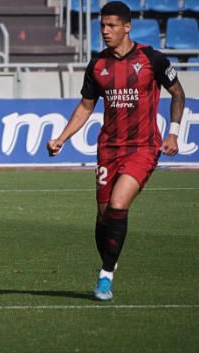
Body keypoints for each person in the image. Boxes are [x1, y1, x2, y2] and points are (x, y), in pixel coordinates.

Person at [47, 1, 184, 301]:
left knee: (119, 205)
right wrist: (62, 138)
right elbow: (85, 107)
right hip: (108, 148)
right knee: (104, 217)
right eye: (102, 26)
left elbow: (177, 93)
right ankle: (110, 258)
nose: (105, 31)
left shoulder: (152, 59)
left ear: (126, 27)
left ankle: (105, 276)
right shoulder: (97, 65)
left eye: (111, 26)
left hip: (143, 147)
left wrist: (173, 133)